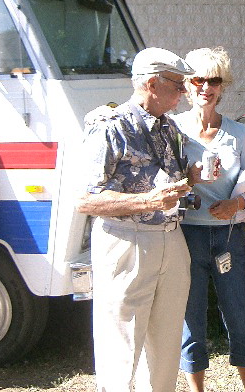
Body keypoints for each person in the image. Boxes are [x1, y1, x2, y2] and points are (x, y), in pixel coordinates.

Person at [76, 47, 197, 392]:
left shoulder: (168, 128)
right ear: (150, 84)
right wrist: (147, 200)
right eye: (177, 85)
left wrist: (195, 176)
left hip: (170, 238)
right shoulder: (111, 127)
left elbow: (170, 182)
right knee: (122, 347)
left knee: (166, 346)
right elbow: (85, 198)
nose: (184, 93)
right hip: (126, 242)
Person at [175, 47, 245, 392]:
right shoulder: (174, 129)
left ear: (222, 86)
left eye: (213, 80)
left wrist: (236, 203)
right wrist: (189, 180)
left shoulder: (238, 133)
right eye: (197, 79)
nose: (205, 87)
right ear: (186, 85)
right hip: (185, 235)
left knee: (239, 317)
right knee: (191, 322)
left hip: (228, 236)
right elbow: (162, 183)